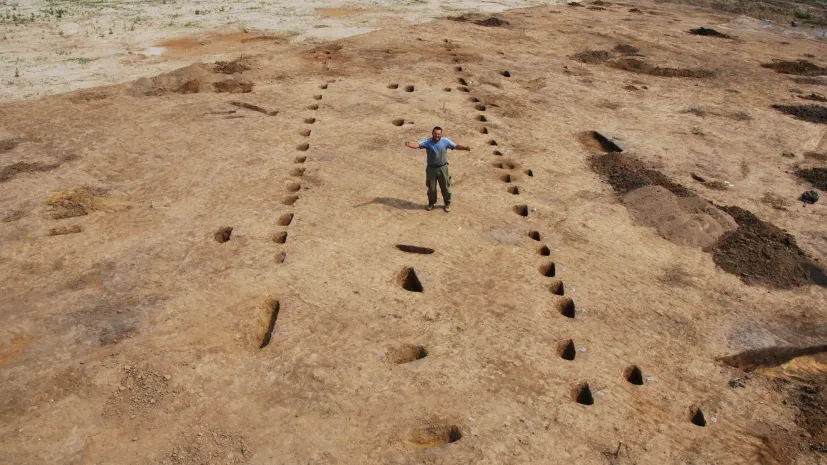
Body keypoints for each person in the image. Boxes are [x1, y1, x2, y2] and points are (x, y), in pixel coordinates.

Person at [405, 127, 470, 212]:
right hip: (431, 169)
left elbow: (455, 146)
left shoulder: (445, 141)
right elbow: (418, 145)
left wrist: (465, 148)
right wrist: (409, 144)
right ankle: (431, 203)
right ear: (432, 133)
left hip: (442, 168)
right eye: (435, 133)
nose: (437, 135)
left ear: (441, 134)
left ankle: (447, 203)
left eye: (439, 134)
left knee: (446, 186)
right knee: (431, 188)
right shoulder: (428, 142)